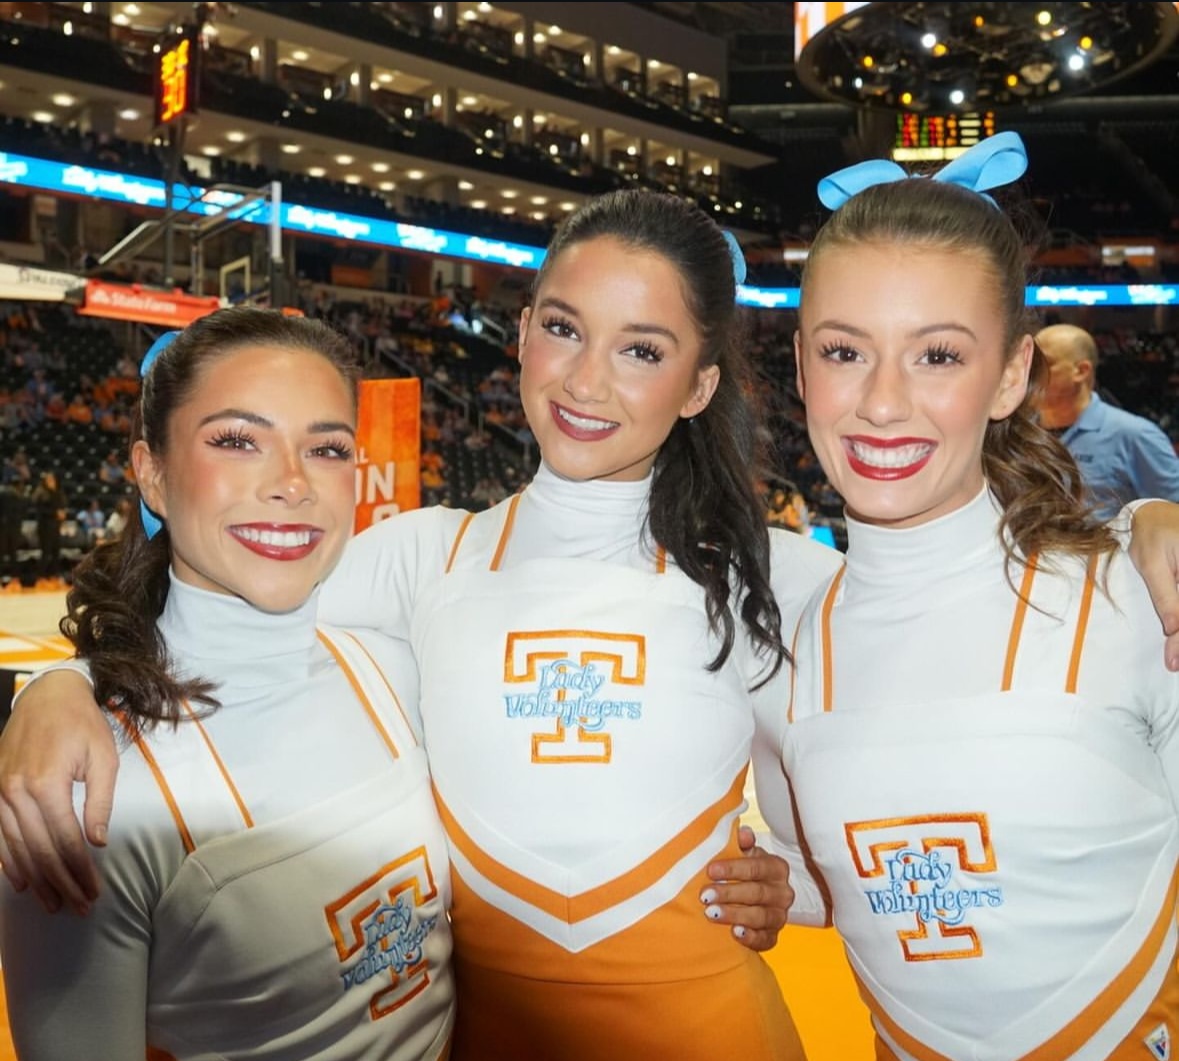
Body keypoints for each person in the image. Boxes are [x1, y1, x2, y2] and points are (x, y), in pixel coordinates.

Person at [0, 191, 820, 1061]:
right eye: (563, 328)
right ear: (520, 330)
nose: (585, 381)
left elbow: (923, 785)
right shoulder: (423, 557)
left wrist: (791, 883)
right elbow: (234, 612)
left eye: (641, 349)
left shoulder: (768, 576)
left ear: (699, 384)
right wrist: (62, 684)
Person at [751, 134, 1179, 1058]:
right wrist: (768, 885)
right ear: (797, 366)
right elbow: (838, 883)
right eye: (843, 351)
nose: (881, 402)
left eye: (937, 355)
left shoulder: (1139, 600)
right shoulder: (782, 647)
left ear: (1012, 374)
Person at [0, 308, 456, 1060]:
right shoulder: (92, 793)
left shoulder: (395, 665)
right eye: (237, 440)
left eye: (327, 447)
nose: (292, 482)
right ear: (151, 471)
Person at [1035, 322, 1179, 519]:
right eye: (1030, 364)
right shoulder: (1016, 432)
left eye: (1046, 364)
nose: (1032, 374)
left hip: (1101, 548)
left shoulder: (1134, 435)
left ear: (1081, 371)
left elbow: (1173, 515)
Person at [29, 469, 66, 581]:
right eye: (48, 480)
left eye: (52, 479)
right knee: (46, 552)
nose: (51, 481)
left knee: (56, 552)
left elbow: (62, 506)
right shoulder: (40, 492)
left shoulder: (58, 492)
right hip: (45, 526)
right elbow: (39, 509)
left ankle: (54, 576)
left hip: (56, 526)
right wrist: (55, 512)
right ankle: (41, 577)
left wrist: (62, 514)